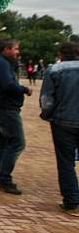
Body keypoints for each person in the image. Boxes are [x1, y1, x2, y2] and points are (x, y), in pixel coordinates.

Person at [0, 38, 32, 195]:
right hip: (6, 109)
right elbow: (8, 86)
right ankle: (4, 177)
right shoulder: (1, 63)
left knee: (2, 143)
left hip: (1, 108)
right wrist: (24, 89)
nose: (18, 52)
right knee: (17, 142)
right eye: (16, 49)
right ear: (6, 49)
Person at [40, 42, 79, 215]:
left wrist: (47, 114)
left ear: (61, 54)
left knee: (66, 162)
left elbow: (47, 98)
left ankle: (71, 201)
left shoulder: (55, 70)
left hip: (63, 122)